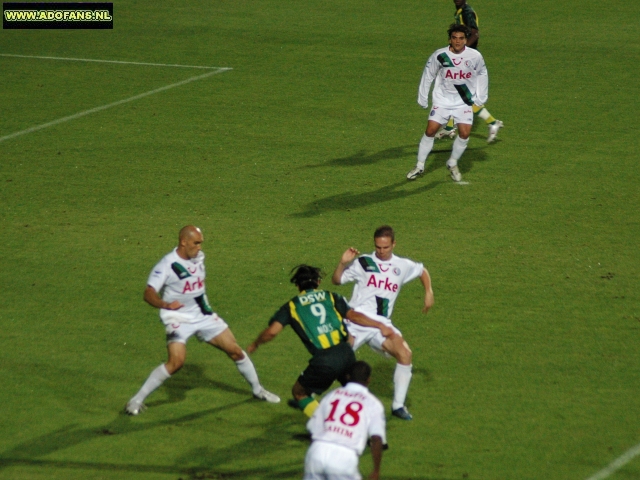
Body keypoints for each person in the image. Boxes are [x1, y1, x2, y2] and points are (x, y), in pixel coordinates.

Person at [125, 225, 280, 415]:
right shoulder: (167, 265)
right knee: (176, 362)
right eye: (196, 243)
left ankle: (258, 390)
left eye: (200, 243)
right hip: (178, 317)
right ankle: (136, 400)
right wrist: (165, 304)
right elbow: (148, 293)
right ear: (184, 242)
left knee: (235, 351)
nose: (199, 247)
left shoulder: (198, 257)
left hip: (203, 315)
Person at [247, 265, 393, 418]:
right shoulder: (331, 296)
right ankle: (370, 428)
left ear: (297, 285)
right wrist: (379, 324)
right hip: (346, 352)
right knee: (355, 392)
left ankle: (326, 426)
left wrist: (256, 343)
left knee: (299, 392)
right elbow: (353, 316)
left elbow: (271, 332)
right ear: (318, 282)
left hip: (324, 360)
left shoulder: (292, 306)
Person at [332, 226, 434, 420]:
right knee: (336, 362)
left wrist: (429, 292)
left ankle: (398, 406)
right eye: (377, 246)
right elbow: (337, 280)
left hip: (381, 325)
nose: (381, 251)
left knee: (405, 354)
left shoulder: (402, 266)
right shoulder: (364, 262)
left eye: (385, 247)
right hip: (357, 320)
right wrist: (342, 263)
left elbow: (422, 271)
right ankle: (315, 398)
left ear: (393, 244)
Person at [406, 24, 489, 183]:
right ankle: (420, 165)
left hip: (463, 101)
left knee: (464, 134)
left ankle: (452, 162)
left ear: (466, 40)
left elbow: (482, 73)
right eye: (454, 38)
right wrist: (422, 97)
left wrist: (481, 96)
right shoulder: (440, 55)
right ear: (450, 39)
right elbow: (428, 74)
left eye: (461, 38)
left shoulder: (475, 56)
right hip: (442, 100)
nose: (458, 42)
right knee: (430, 131)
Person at [304, 361, 386, 480]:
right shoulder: (373, 403)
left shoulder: (332, 395)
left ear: (347, 377)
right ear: (368, 380)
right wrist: (376, 470)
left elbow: (312, 428)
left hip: (318, 450)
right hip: (344, 456)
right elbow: (377, 439)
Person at [435, 0, 503, 143]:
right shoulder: (461, 11)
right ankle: (449, 127)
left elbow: (475, 34)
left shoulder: (466, 12)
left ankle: (492, 123)